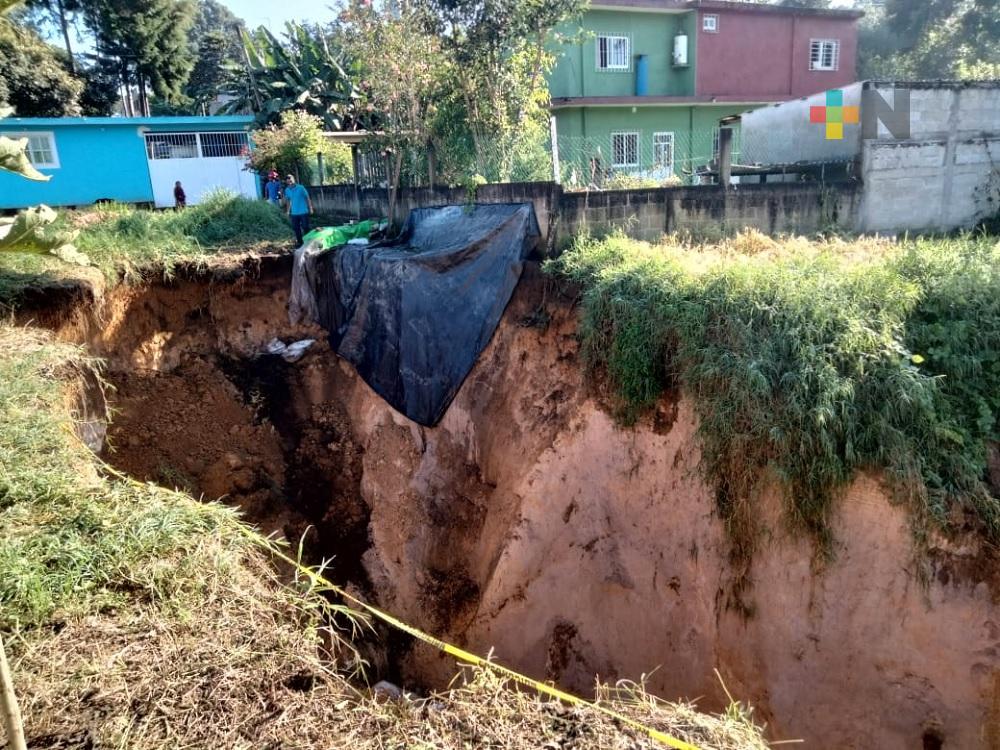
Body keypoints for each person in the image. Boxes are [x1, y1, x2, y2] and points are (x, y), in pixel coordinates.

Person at [284, 174, 313, 246]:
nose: (290, 183)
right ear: (286, 182)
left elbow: (307, 198)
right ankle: (300, 242)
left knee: (305, 227)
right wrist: (288, 211)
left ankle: (308, 241)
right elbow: (288, 201)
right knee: (296, 228)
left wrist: (310, 208)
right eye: (288, 181)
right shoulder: (287, 190)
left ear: (294, 180)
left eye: (291, 181)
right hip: (294, 213)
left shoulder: (301, 188)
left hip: (303, 212)